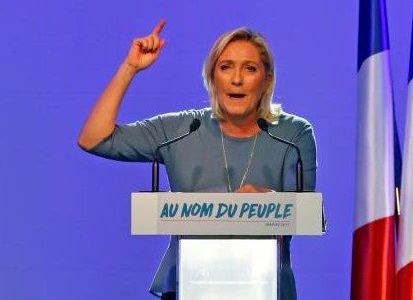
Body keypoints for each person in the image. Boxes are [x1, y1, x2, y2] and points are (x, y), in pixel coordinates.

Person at [77, 20, 317, 299]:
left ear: (266, 79)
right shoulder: (180, 130)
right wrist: (130, 67)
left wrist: (269, 199)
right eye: (226, 67)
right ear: (212, 77)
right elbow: (93, 138)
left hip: (264, 286)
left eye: (249, 69)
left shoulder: (293, 134)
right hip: (188, 285)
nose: (236, 79)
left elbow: (304, 212)